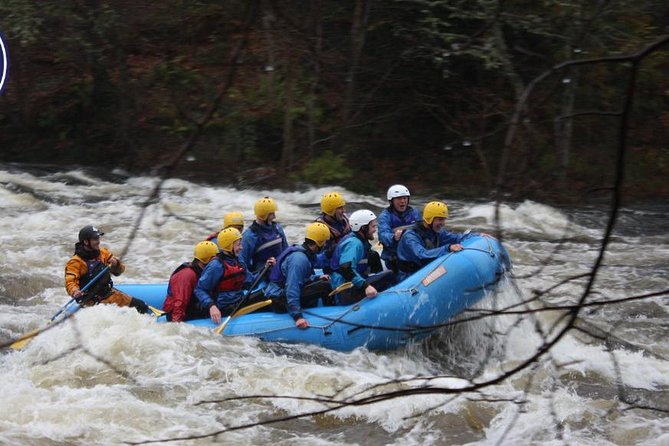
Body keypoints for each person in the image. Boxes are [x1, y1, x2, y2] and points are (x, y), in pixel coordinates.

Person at [194, 228, 272, 324]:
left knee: (270, 292)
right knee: (269, 294)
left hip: (239, 301)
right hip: (223, 307)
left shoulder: (238, 260)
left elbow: (251, 283)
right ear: (229, 246)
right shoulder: (216, 266)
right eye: (238, 244)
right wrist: (211, 306)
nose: (241, 247)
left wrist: (266, 268)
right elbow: (199, 289)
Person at [64, 225, 149, 313]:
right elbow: (70, 282)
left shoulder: (103, 253)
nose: (98, 242)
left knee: (141, 306)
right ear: (86, 242)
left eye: (98, 238)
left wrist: (116, 264)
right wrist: (75, 291)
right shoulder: (75, 262)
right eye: (95, 239)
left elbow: (119, 271)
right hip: (91, 302)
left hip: (110, 294)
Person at [263, 222, 332, 329]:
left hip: (280, 292)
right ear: (318, 243)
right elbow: (292, 288)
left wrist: (316, 278)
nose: (325, 245)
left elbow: (300, 278)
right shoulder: (299, 260)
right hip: (280, 299)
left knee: (323, 282)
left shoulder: (304, 252)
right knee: (326, 286)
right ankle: (332, 313)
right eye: (324, 242)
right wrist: (297, 317)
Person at [329, 210, 395, 305]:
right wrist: (366, 286)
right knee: (389, 274)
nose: (375, 229)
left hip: (349, 286)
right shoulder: (354, 243)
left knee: (373, 255)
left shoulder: (357, 239)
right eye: (373, 226)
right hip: (345, 291)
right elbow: (345, 268)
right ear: (363, 228)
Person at [396, 201, 474, 281]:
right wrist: (448, 248)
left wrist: (475, 235)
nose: (443, 223)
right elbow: (421, 255)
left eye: (444, 219)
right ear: (430, 219)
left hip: (425, 270)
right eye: (440, 220)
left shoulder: (437, 231)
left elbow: (456, 238)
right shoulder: (410, 237)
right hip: (408, 277)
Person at [162, 241, 219, 322]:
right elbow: (179, 303)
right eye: (215, 259)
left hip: (193, 306)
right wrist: (176, 326)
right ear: (207, 260)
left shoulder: (204, 271)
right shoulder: (186, 275)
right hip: (176, 313)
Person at [377, 184, 421, 276]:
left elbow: (423, 229)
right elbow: (383, 234)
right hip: (394, 257)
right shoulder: (385, 216)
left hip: (413, 253)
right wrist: (394, 237)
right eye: (399, 199)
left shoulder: (414, 212)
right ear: (391, 201)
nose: (402, 201)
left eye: (405, 198)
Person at [240, 197, 288, 272]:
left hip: (280, 269)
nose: (274, 217)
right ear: (263, 215)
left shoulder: (278, 228)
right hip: (261, 274)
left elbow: (286, 251)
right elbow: (243, 263)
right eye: (271, 214)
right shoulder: (250, 236)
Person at [315, 191, 351, 256]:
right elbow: (315, 257)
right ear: (330, 210)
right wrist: (329, 253)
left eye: (343, 207)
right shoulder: (318, 228)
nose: (344, 211)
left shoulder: (345, 220)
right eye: (340, 208)